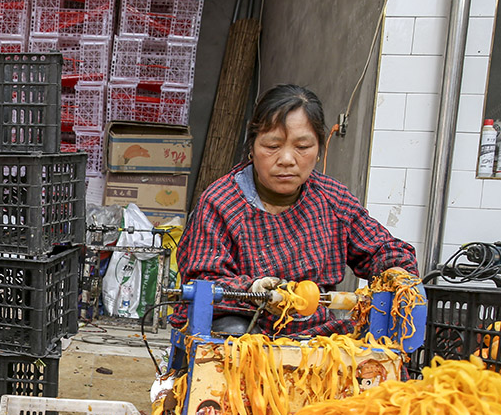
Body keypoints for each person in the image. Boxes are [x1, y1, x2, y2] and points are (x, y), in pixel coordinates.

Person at [173, 84, 418, 337]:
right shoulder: (220, 203)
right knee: (233, 334)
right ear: (252, 147)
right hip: (242, 334)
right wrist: (254, 290)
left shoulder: (332, 200)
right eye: (272, 146)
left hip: (316, 334)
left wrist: (396, 273)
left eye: (302, 147)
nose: (287, 159)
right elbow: (202, 281)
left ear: (319, 148)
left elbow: (381, 248)